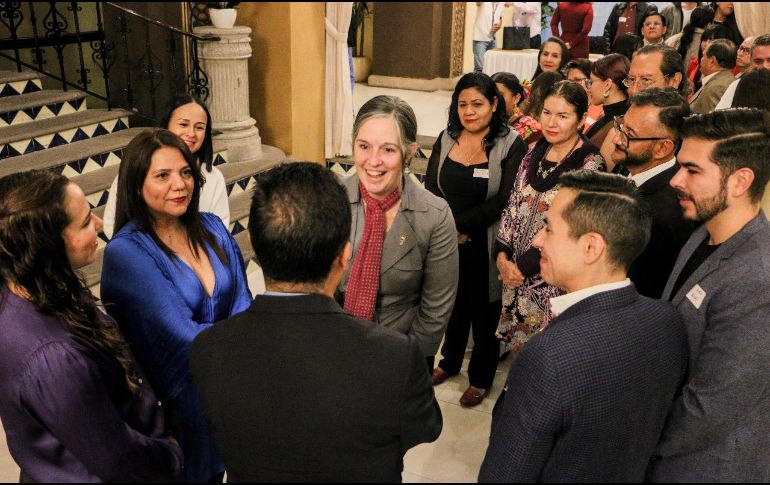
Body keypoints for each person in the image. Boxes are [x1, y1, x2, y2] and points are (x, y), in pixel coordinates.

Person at [190, 162, 442, 482]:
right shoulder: (395, 356)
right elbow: (424, 428)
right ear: (344, 255)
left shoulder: (209, 349)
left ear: (253, 242)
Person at [479, 171, 687, 482]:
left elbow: (507, 473)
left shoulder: (549, 357)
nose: (536, 240)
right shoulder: (667, 322)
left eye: (548, 228)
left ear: (592, 247)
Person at [0, 170, 183, 482]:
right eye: (85, 222)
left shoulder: (37, 285)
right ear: (48, 248)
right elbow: (118, 459)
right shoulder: (54, 358)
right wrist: (172, 455)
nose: (98, 223)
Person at [101, 129, 252, 483]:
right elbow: (183, 335)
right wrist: (252, 341)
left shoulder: (212, 227)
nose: (180, 184)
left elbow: (244, 301)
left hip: (225, 397)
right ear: (136, 184)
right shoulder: (127, 252)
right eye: (163, 176)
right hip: (177, 410)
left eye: (185, 172)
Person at [649, 108, 770, 482]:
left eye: (692, 170)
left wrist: (639, 441)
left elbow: (710, 408)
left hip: (705, 466)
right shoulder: (702, 232)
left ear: (739, 181)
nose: (675, 180)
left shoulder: (757, 279)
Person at [426, 73, 528, 407]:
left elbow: (504, 198)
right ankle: (449, 362)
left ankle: (481, 378)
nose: (469, 112)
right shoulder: (446, 137)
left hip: (486, 241)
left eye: (478, 104)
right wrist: (445, 230)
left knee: (485, 311)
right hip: (446, 241)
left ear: (494, 104)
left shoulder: (511, 143)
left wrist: (459, 226)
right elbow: (431, 187)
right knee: (450, 305)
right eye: (463, 104)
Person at [339, 95, 459, 371]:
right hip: (335, 347)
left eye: (388, 150)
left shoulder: (434, 216)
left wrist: (403, 363)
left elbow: (435, 312)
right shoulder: (331, 199)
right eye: (364, 146)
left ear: (409, 152)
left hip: (399, 356)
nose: (373, 161)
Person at [495, 81, 606, 355]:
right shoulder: (535, 150)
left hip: (552, 280)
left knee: (546, 354)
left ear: (581, 120)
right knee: (519, 352)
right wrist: (502, 255)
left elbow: (571, 225)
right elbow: (513, 204)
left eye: (563, 116)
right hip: (514, 274)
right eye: (546, 113)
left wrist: (521, 267)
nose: (551, 122)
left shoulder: (589, 163)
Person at [103, 94, 229, 238]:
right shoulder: (138, 168)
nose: (191, 133)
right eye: (183, 124)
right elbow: (112, 224)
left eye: (199, 127)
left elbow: (220, 228)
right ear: (166, 125)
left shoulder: (214, 177)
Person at [610, 88, 696, 298]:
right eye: (620, 127)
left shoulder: (663, 214)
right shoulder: (629, 165)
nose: (616, 139)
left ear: (662, 148)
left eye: (629, 135)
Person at [586, 53, 630, 148]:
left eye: (592, 82)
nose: (589, 88)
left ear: (607, 84)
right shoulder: (611, 116)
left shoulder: (619, 125)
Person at [716, 34, 768, 110]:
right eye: (758, 61)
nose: (765, 66)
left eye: (769, 60)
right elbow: (720, 117)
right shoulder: (736, 84)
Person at [492, 71, 543, 145]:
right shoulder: (484, 122)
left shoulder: (531, 129)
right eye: (491, 94)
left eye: (500, 95)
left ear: (516, 98)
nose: (494, 100)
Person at [689, 38, 736, 114]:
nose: (701, 59)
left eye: (703, 56)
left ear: (712, 61)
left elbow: (712, 123)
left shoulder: (716, 87)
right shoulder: (724, 80)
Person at [563, 59, 604, 132]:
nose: (572, 85)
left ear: (590, 81)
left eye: (577, 80)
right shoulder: (564, 105)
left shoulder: (601, 111)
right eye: (569, 81)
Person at [474, 2, 508, 73]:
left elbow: (500, 17)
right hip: (480, 38)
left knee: (493, 66)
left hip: (493, 38)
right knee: (480, 68)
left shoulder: (500, 3)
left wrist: (499, 25)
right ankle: (477, 84)